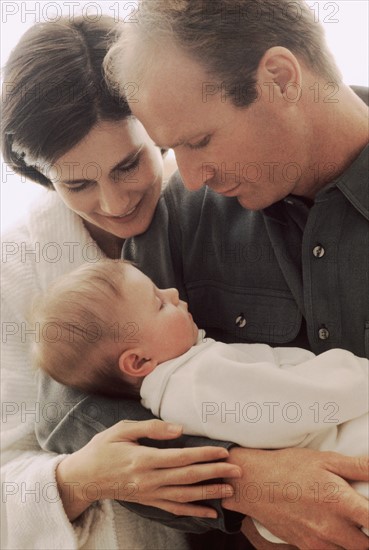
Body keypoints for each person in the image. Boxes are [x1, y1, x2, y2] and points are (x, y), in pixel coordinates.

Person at [33, 1, 369, 547]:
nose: (187, 176)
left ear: (280, 79)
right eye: (171, 148)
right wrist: (242, 482)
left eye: (199, 141)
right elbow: (70, 410)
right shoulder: (183, 217)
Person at [0, 16, 244, 550]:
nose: (114, 204)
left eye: (130, 164)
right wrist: (79, 479)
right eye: (78, 183)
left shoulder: (228, 202)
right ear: (42, 175)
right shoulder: (12, 271)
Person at [32, 259, 369, 545]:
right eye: (159, 303)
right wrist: (355, 374)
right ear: (138, 362)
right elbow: (297, 407)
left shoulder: (184, 378)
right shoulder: (197, 380)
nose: (173, 293)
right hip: (345, 462)